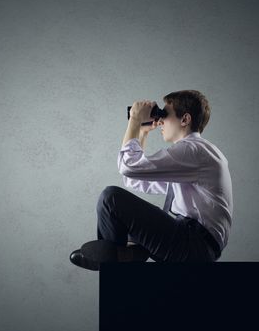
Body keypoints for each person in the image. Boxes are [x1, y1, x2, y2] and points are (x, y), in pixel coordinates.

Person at [70, 90, 233, 271]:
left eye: (165, 114)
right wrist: (142, 132)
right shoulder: (194, 158)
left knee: (110, 198)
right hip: (194, 244)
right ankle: (123, 255)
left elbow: (128, 167)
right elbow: (134, 179)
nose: (160, 120)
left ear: (185, 119)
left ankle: (115, 260)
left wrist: (134, 120)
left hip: (195, 245)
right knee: (117, 217)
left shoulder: (193, 150)